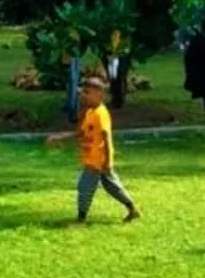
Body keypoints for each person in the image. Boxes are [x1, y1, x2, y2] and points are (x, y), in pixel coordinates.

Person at [48, 75, 140, 224]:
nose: (83, 96)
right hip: (92, 158)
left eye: (87, 93)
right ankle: (132, 209)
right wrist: (60, 137)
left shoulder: (100, 114)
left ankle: (81, 219)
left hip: (97, 161)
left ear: (100, 95)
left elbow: (106, 137)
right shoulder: (89, 112)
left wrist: (108, 160)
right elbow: (81, 133)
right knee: (112, 186)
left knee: (84, 188)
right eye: (82, 92)